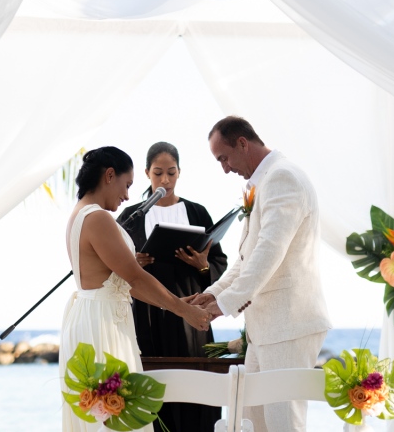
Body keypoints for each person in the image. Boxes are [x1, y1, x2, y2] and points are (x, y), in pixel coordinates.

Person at [191, 116, 332, 432]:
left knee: (284, 424)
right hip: (264, 329)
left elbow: (270, 252)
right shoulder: (261, 184)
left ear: (242, 143)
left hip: (288, 325)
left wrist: (226, 304)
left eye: (224, 158)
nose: (225, 168)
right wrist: (213, 293)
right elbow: (245, 260)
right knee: (248, 420)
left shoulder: (284, 178)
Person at [59, 146, 211, 432]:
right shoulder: (98, 218)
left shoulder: (79, 214)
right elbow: (135, 278)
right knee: (115, 418)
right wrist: (184, 312)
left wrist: (178, 301)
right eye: (126, 185)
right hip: (104, 326)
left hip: (95, 317)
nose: (128, 196)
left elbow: (122, 284)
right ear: (109, 175)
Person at [117, 142, 228, 432]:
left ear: (180, 173)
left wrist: (202, 264)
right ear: (146, 173)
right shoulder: (130, 217)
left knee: (197, 388)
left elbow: (219, 264)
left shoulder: (198, 212)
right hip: (147, 315)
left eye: (171, 173)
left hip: (190, 314)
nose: (165, 180)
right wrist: (133, 263)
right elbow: (113, 268)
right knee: (154, 389)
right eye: (158, 173)